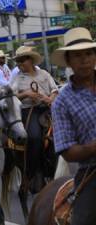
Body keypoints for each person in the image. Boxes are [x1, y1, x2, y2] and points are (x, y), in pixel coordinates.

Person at [51, 27, 96, 225]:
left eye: (88, 53)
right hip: (92, 169)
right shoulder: (62, 102)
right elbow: (67, 151)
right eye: (77, 56)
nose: (84, 59)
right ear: (68, 61)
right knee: (83, 220)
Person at [10, 46, 58, 185]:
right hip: (29, 110)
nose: (19, 64)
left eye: (22, 60)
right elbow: (11, 96)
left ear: (30, 60)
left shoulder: (44, 74)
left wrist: (50, 98)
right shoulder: (18, 78)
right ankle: (32, 172)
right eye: (17, 61)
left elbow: (54, 89)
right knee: (35, 137)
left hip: (47, 108)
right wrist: (26, 94)